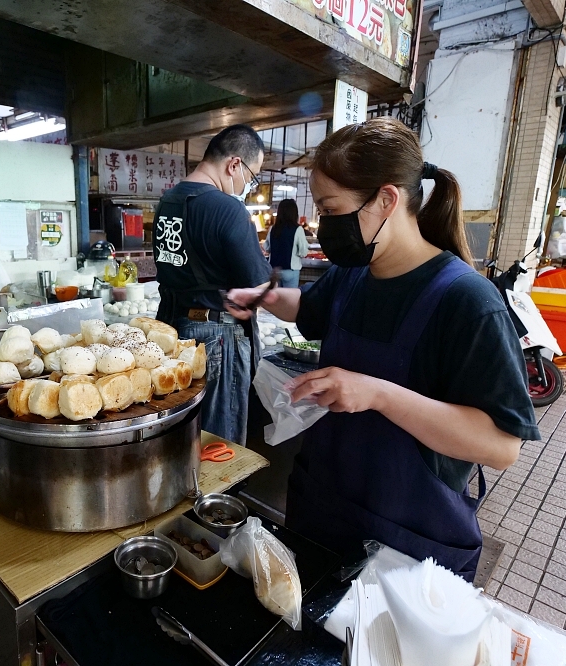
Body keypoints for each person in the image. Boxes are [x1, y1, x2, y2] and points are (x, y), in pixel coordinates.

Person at [225, 118, 539, 581]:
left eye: (331, 209)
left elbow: (500, 446)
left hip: (407, 541)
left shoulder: (468, 302)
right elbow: (308, 309)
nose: (323, 224)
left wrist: (378, 394)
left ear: (387, 200)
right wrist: (265, 296)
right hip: (325, 510)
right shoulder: (353, 275)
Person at [153, 124, 272, 446]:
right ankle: (218, 495)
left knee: (180, 429)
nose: (248, 184)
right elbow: (258, 283)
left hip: (172, 329)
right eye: (251, 175)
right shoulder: (227, 208)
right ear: (234, 164)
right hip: (216, 336)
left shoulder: (167, 203)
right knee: (219, 439)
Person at [263, 199, 309, 288]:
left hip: (274, 270)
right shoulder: (298, 229)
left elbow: (267, 248)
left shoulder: (273, 228)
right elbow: (303, 252)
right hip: (290, 271)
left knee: (275, 298)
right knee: (289, 300)